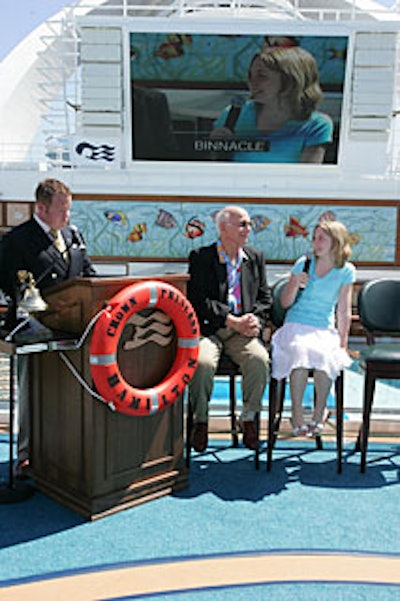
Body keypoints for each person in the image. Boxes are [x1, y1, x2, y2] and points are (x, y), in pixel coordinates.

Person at [0, 178, 96, 478]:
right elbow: (9, 285)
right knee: (31, 394)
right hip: (34, 331)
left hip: (74, 330)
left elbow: (88, 274)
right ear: (41, 208)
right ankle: (27, 453)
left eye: (69, 210)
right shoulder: (17, 240)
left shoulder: (72, 234)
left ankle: (66, 451)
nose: (68, 216)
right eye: (62, 210)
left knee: (70, 392)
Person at [187, 205, 271, 452]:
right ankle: (200, 421)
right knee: (201, 364)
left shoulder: (254, 258)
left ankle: (249, 418)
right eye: (242, 224)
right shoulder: (202, 257)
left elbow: (265, 298)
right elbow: (199, 300)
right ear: (224, 227)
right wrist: (230, 320)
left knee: (259, 360)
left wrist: (254, 319)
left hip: (242, 332)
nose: (248, 228)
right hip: (210, 330)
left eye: (248, 224)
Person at [271, 220, 356, 436]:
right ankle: (297, 414)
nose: (315, 243)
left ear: (335, 242)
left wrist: (343, 343)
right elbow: (285, 303)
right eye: (315, 238)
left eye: (321, 238)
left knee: (325, 355)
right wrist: (294, 284)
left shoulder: (346, 271)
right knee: (299, 353)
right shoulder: (304, 263)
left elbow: (343, 311)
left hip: (323, 327)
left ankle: (319, 414)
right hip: (296, 323)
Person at [211, 44, 333, 163]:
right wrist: (215, 145)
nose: (251, 83)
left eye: (261, 76)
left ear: (290, 81)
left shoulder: (316, 125)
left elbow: (308, 178)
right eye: (250, 75)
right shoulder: (233, 115)